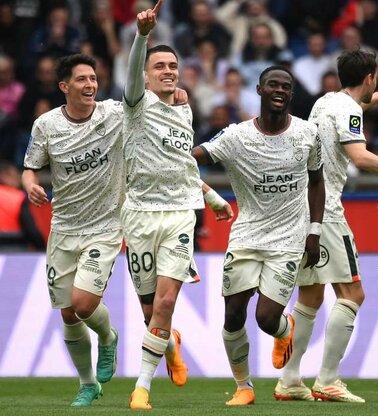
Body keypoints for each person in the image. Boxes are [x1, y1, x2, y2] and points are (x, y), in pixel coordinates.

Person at [192, 65, 324, 406]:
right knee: (233, 314)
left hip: (289, 239)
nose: (280, 90)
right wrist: (206, 192)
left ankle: (284, 329)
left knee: (266, 319)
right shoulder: (236, 136)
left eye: (286, 86)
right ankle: (244, 387)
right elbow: (192, 158)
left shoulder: (308, 133)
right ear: (259, 90)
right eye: (273, 85)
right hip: (246, 236)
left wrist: (314, 231)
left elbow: (317, 182)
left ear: (291, 94)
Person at [124, 1, 232, 409]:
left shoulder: (185, 109)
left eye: (173, 66)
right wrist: (142, 36)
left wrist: (213, 197)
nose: (168, 71)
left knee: (166, 302)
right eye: (159, 67)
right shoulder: (136, 104)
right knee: (150, 309)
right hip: (139, 215)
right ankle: (169, 342)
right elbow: (133, 71)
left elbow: (182, 165)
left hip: (180, 215)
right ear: (145, 76)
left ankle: (142, 388)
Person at [275, 50, 378, 403]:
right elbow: (359, 156)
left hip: (302, 210)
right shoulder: (349, 110)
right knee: (353, 295)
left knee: (310, 296)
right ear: (369, 77)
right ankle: (328, 379)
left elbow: (355, 106)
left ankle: (289, 379)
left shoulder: (325, 101)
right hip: (328, 212)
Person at [21, 54, 123, 407]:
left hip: (105, 226)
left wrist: (175, 96)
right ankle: (88, 384)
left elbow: (145, 102)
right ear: (64, 86)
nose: (90, 84)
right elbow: (30, 168)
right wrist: (31, 186)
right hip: (63, 228)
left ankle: (108, 338)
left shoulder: (114, 114)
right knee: (67, 312)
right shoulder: (46, 125)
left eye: (93, 78)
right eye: (82, 79)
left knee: (83, 303)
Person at [0, 160, 44, 251]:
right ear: (4, 175)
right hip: (13, 248)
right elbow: (32, 231)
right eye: (14, 175)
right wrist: (43, 249)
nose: (18, 179)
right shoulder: (17, 197)